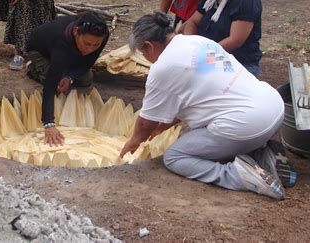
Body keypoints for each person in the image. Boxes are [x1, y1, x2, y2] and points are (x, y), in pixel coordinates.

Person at [120, 12, 297, 200]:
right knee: (223, 132)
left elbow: (145, 123)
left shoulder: (163, 67)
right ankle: (264, 155)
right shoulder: (199, 42)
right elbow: (201, 91)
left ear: (148, 46)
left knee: (175, 157)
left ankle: (239, 176)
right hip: (274, 108)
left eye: (142, 52)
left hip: (247, 125)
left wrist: (133, 142)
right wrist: (163, 126)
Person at [26, 12, 109, 146]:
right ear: (76, 32)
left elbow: (89, 61)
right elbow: (49, 86)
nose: (90, 49)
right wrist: (49, 123)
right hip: (40, 51)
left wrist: (70, 77)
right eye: (87, 43)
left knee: (86, 78)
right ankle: (33, 68)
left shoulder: (101, 36)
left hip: (72, 54)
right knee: (54, 79)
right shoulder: (61, 42)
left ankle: (65, 69)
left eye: (96, 45)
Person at [180, 0, 262, 77]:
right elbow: (192, 21)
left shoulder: (246, 0)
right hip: (209, 60)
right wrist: (190, 45)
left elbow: (234, 41)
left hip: (237, 65)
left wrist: (204, 58)